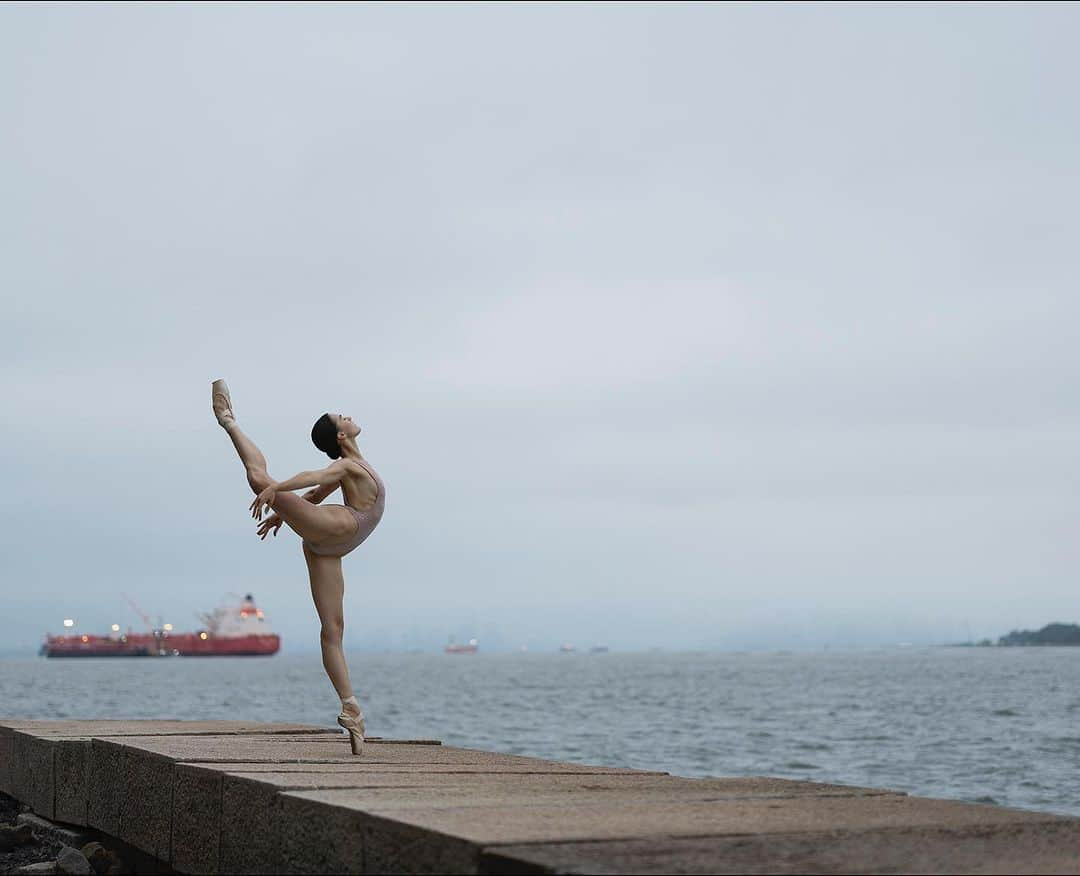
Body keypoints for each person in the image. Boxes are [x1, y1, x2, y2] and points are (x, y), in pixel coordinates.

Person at [211, 379, 385, 755]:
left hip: (328, 547)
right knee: (260, 479)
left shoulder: (353, 466)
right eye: (343, 416)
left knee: (332, 631)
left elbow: (316, 493)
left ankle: (351, 710)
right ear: (341, 435)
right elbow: (316, 477)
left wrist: (281, 513)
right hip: (337, 529)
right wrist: (277, 492)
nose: (349, 416)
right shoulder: (347, 465)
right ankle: (228, 420)